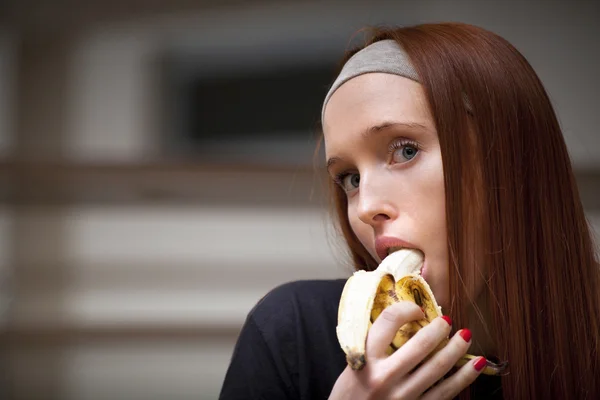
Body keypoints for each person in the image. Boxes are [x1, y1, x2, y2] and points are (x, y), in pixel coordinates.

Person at [219, 22, 600, 399]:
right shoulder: (292, 336)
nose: (366, 207)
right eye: (350, 178)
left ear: (511, 160)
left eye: (405, 150)